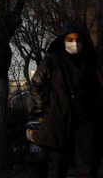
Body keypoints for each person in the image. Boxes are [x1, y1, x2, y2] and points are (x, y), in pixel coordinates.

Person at [29, 21, 103, 178]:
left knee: (88, 167)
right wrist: (46, 107)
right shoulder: (52, 62)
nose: (74, 44)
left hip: (85, 122)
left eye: (77, 40)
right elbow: (35, 85)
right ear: (63, 40)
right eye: (70, 40)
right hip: (58, 121)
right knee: (56, 168)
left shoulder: (90, 63)